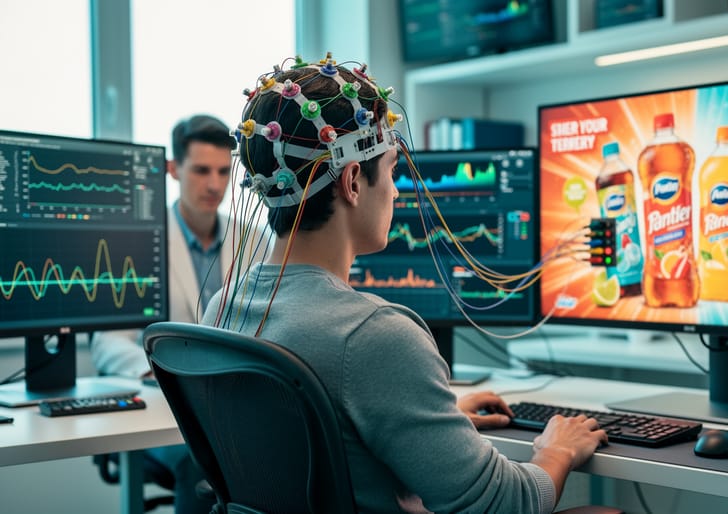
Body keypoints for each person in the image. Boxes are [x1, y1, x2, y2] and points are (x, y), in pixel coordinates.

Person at [202, 55, 610, 514]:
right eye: (393, 170)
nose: (396, 191)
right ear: (353, 181)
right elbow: (505, 504)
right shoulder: (375, 336)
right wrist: (557, 449)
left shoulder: (221, 309)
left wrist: (436, 421)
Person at [92, 114, 267, 514]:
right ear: (173, 170)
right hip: (166, 410)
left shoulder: (254, 238)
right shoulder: (135, 243)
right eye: (202, 170)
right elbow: (106, 342)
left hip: (233, 405)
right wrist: (157, 369)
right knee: (200, 467)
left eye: (224, 171)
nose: (215, 184)